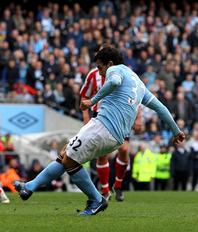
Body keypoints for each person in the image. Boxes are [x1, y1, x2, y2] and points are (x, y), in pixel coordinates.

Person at [14, 47, 185, 215]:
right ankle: (30, 187)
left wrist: (93, 100)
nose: (100, 73)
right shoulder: (138, 83)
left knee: (69, 162)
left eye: (100, 68)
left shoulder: (115, 70)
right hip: (116, 137)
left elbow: (114, 81)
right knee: (66, 153)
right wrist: (176, 131)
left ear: (109, 63)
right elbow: (161, 108)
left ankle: (97, 199)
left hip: (103, 127)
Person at [79, 43, 142, 201]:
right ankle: (105, 190)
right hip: (100, 113)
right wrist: (86, 117)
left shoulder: (126, 73)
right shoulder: (93, 74)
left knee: (124, 149)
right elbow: (84, 95)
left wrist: (139, 117)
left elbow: (137, 95)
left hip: (120, 115)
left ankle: (118, 185)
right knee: (102, 154)